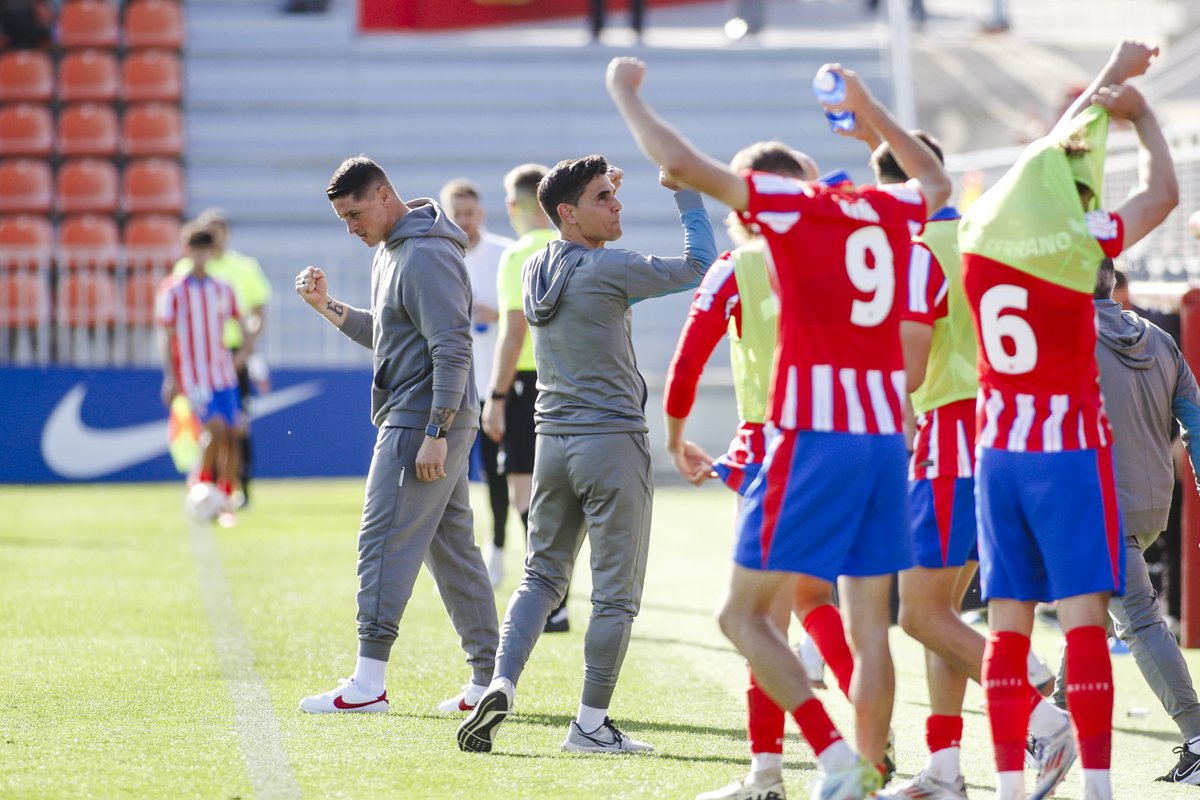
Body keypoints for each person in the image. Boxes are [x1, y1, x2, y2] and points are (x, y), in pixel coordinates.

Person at [607, 56, 950, 799]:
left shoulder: (784, 216)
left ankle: (830, 760)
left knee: (742, 615)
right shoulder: (887, 213)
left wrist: (624, 92)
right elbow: (935, 184)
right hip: (887, 439)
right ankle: (861, 775)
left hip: (810, 435)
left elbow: (676, 161)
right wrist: (870, 113)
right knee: (865, 630)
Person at [956, 40, 1178, 800]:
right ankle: (1100, 790)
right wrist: (1139, 114)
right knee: (1085, 624)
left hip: (999, 452)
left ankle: (1012, 789)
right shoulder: (1078, 250)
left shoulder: (975, 243)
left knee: (1008, 630)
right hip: (1068, 449)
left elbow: (1058, 152)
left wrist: (1112, 70)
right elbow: (1161, 195)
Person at [456, 154, 717, 755]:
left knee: (540, 576)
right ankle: (591, 725)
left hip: (552, 444)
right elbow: (702, 266)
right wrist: (685, 196)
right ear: (570, 214)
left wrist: (592, 198)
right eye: (605, 198)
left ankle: (500, 682)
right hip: (612, 443)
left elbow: (574, 232)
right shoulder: (610, 268)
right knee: (615, 596)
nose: (618, 204)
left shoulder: (534, 264)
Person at [850, 130, 1073, 800]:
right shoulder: (984, 236)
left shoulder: (917, 251)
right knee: (942, 612)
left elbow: (911, 364)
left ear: (895, 187)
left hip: (952, 434)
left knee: (919, 614)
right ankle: (945, 766)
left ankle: (1044, 720)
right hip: (1009, 429)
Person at [662, 141, 862, 800]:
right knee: (816, 601)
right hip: (859, 437)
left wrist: (676, 437)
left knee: (755, 619)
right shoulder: (850, 248)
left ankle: (815, 761)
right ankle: (810, 760)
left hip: (776, 447)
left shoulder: (739, 264)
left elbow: (688, 362)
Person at [294, 156, 500, 717]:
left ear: (384, 196)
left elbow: (452, 346)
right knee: (452, 547)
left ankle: (368, 684)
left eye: (355, 213)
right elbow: (387, 336)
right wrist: (326, 307)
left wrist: (436, 429)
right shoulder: (398, 248)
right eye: (342, 218)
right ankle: (490, 679)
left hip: (421, 420)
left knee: (382, 539)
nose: (351, 226)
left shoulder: (425, 252)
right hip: (430, 416)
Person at [1047, 257, 1200, 785]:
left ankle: (1199, 735)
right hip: (1151, 501)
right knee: (1089, 605)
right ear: (1112, 281)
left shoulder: (1061, 331)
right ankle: (1054, 725)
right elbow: (1195, 419)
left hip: (1093, 500)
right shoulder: (1160, 337)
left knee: (1134, 616)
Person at [480, 166, 552, 596]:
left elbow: (513, 332)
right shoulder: (573, 245)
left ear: (513, 205)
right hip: (571, 378)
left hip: (526, 382)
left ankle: (548, 590)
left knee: (522, 488)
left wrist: (497, 395)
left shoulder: (518, 255)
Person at [440, 179, 515, 591]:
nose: (464, 221)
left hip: (492, 386)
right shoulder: (439, 258)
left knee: (498, 475)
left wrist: (499, 314)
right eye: (457, 214)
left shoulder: (505, 254)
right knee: (446, 479)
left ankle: (499, 549)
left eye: (469, 213)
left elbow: (528, 313)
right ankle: (451, 562)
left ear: (481, 214)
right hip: (451, 390)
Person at [173, 208, 272, 507]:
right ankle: (208, 486)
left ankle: (240, 489)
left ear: (226, 234)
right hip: (199, 361)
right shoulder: (184, 273)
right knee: (210, 427)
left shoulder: (243, 268)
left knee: (238, 425)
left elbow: (258, 313)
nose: (214, 236)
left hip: (233, 357)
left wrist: (245, 352)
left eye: (219, 230)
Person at [158, 226, 247, 526]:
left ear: (212, 252)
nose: (200, 255)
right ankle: (200, 486)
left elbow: (243, 323)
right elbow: (165, 335)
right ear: (187, 250)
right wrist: (170, 376)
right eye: (195, 249)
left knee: (233, 435)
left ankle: (224, 501)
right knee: (216, 428)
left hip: (223, 374)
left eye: (205, 249)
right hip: (194, 377)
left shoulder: (223, 288)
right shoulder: (173, 290)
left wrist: (242, 356)